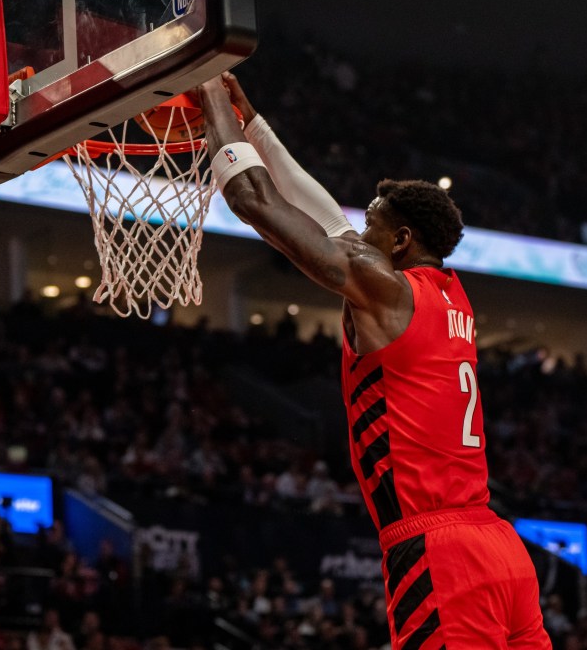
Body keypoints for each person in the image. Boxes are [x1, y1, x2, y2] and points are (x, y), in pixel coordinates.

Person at [198, 72, 551, 649]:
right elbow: (320, 211)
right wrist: (253, 125)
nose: (355, 234)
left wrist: (209, 91)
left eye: (371, 226)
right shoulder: (448, 293)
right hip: (500, 547)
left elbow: (253, 200)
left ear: (400, 241)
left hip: (441, 552)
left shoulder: (385, 291)